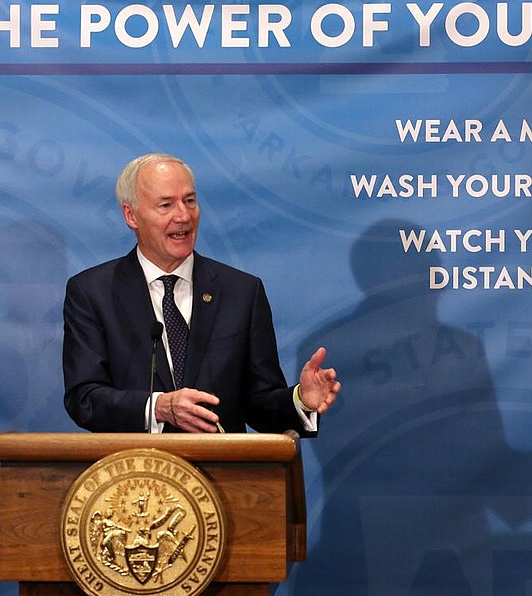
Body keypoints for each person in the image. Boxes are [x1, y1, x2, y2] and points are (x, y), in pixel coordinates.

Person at [63, 153, 340, 434]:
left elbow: (259, 403)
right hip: (137, 472)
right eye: (166, 205)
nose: (183, 216)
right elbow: (84, 399)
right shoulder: (92, 292)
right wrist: (158, 407)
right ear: (131, 215)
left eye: (190, 201)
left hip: (223, 473)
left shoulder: (242, 292)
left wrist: (300, 401)